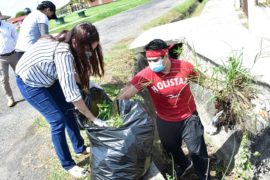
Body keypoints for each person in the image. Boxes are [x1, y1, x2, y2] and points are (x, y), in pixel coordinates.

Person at [15, 22, 107, 178]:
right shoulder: (63, 53)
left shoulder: (67, 40)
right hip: (29, 81)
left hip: (48, 76)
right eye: (87, 50)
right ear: (76, 43)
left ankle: (79, 148)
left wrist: (89, 84)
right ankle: (68, 164)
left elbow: (70, 73)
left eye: (93, 50)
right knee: (57, 120)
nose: (90, 54)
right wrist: (94, 119)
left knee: (68, 110)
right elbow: (72, 94)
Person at [118, 39, 210, 180]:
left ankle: (204, 176)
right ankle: (185, 164)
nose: (152, 64)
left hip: (189, 116)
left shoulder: (184, 67)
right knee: (169, 147)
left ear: (166, 56)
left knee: (198, 152)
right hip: (165, 119)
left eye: (155, 60)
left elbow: (204, 82)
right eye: (149, 60)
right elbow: (124, 95)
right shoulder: (146, 75)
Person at [0, 12, 18, 107]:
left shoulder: (9, 26)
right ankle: (10, 98)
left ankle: (30, 92)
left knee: (21, 74)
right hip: (1, 58)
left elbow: (16, 38)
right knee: (4, 79)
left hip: (13, 54)